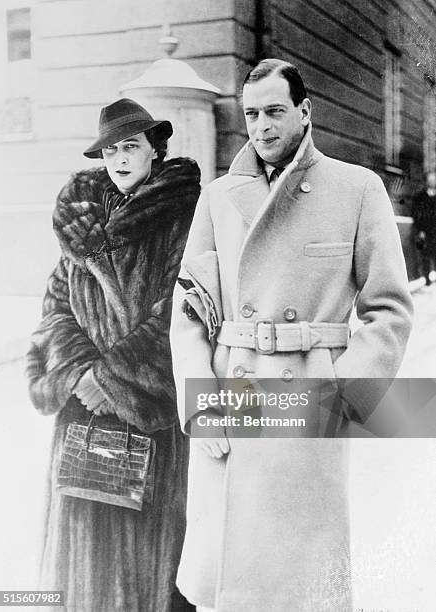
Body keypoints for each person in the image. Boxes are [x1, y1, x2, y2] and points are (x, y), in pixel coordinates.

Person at [170, 59, 413, 611]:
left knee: (300, 585)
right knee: (230, 587)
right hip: (231, 400)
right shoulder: (217, 198)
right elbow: (188, 312)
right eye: (251, 114)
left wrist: (344, 398)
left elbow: (389, 311)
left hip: (307, 405)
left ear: (304, 113)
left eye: (275, 112)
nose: (262, 126)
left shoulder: (356, 189)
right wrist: (198, 402)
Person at [27, 98, 200, 612]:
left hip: (146, 416)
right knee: (80, 569)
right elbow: (55, 309)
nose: (120, 159)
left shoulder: (183, 218)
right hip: (81, 416)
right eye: (110, 151)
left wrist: (115, 377)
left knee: (148, 570)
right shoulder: (81, 226)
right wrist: (81, 372)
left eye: (131, 146)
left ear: (154, 149)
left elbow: (185, 308)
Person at [412, 170, 436, 285]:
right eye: (431, 180)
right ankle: (427, 278)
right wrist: (420, 230)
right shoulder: (419, 197)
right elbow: (416, 214)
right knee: (425, 255)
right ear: (426, 182)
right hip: (425, 231)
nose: (433, 182)